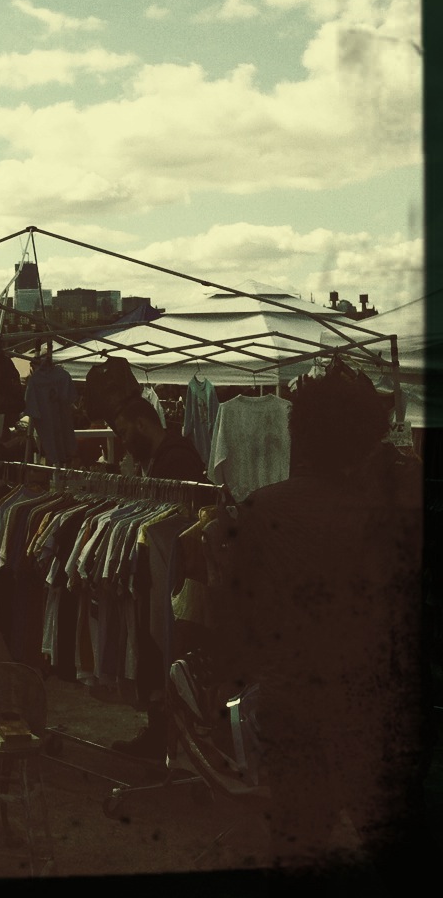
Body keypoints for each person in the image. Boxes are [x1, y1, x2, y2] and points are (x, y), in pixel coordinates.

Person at [221, 366, 421, 870]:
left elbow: (241, 619)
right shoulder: (394, 510)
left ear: (301, 432)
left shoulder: (261, 509)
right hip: (373, 704)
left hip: (292, 701)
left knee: (298, 840)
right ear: (369, 435)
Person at [106, 395, 208, 760]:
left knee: (167, 645)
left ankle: (166, 737)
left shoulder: (175, 459)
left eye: (124, 433)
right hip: (169, 568)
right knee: (160, 645)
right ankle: (160, 733)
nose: (123, 442)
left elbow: (174, 522)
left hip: (175, 573)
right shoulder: (166, 456)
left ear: (142, 424)